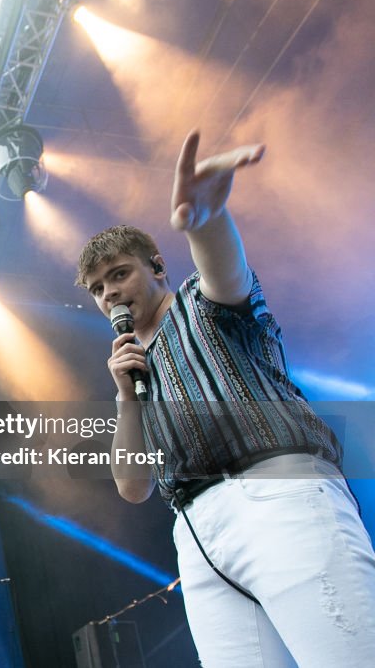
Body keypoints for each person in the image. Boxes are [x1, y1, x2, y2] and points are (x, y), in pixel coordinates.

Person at [74, 130, 375, 667]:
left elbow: (224, 270)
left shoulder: (201, 303)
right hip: (197, 536)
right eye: (98, 288)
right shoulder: (131, 371)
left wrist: (207, 218)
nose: (110, 293)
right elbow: (133, 486)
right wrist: (126, 398)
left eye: (119, 274)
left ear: (157, 267)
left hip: (277, 493)